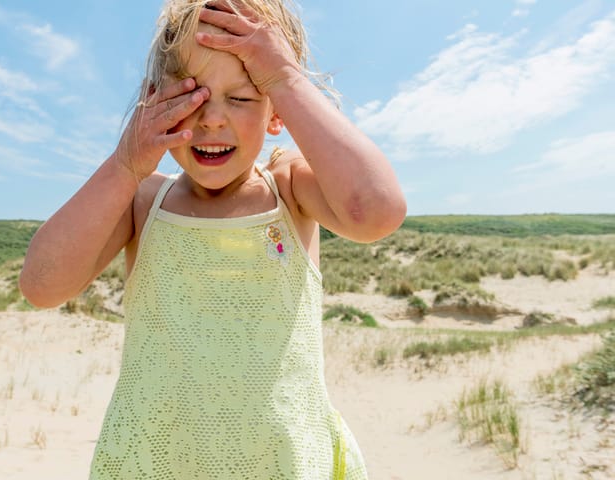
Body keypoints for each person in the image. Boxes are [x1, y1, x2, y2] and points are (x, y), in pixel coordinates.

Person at [20, 0, 406, 477]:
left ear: (276, 113)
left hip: (281, 463)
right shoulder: (144, 202)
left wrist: (285, 78)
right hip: (157, 462)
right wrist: (124, 165)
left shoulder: (289, 189)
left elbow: (376, 211)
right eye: (192, 95)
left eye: (242, 97)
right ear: (154, 101)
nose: (212, 119)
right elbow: (42, 284)